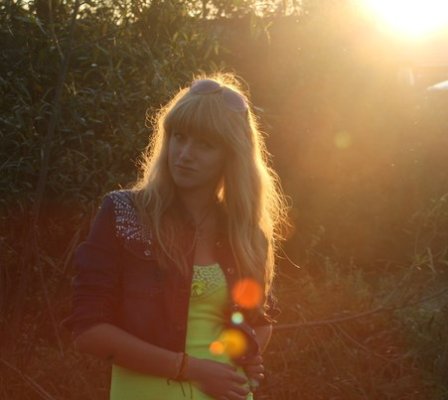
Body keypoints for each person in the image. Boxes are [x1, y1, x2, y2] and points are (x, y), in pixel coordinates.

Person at [64, 73, 288, 400]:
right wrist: (190, 369)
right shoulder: (124, 213)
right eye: (179, 137)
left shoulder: (243, 231)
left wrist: (245, 354)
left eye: (205, 145)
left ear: (231, 156)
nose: (184, 153)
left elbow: (259, 320)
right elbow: (89, 331)